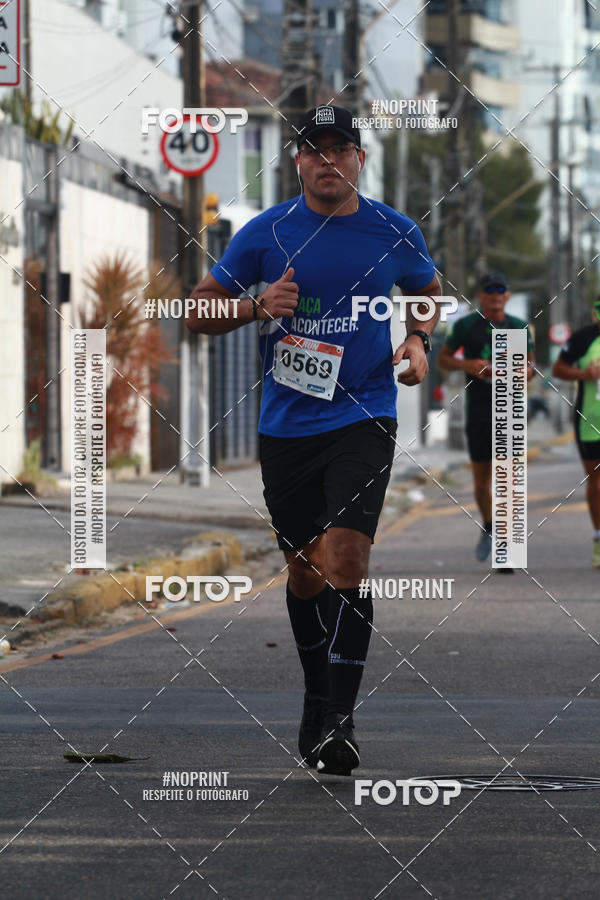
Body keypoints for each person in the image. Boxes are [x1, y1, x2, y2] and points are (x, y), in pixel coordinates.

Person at [186, 105, 441, 776]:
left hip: (365, 417)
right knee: (305, 568)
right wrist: (252, 307)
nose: (327, 161)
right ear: (296, 160)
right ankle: (316, 691)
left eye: (340, 149)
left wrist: (419, 340)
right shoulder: (266, 232)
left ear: (360, 159)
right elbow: (197, 309)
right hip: (288, 427)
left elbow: (427, 289)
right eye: (314, 149)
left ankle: (339, 721)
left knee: (348, 560)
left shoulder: (394, 230)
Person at [438, 273, 534, 566]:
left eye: (500, 290)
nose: (495, 295)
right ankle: (490, 525)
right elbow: (443, 358)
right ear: (480, 296)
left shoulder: (518, 327)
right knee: (482, 480)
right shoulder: (466, 326)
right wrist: (466, 363)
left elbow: (531, 367)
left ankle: (507, 548)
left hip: (509, 409)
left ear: (507, 296)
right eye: (489, 291)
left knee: (508, 478)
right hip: (478, 411)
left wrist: (524, 373)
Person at [552, 299, 600, 568]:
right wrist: (584, 373)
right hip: (590, 421)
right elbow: (559, 369)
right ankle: (598, 537)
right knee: (596, 484)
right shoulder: (583, 339)